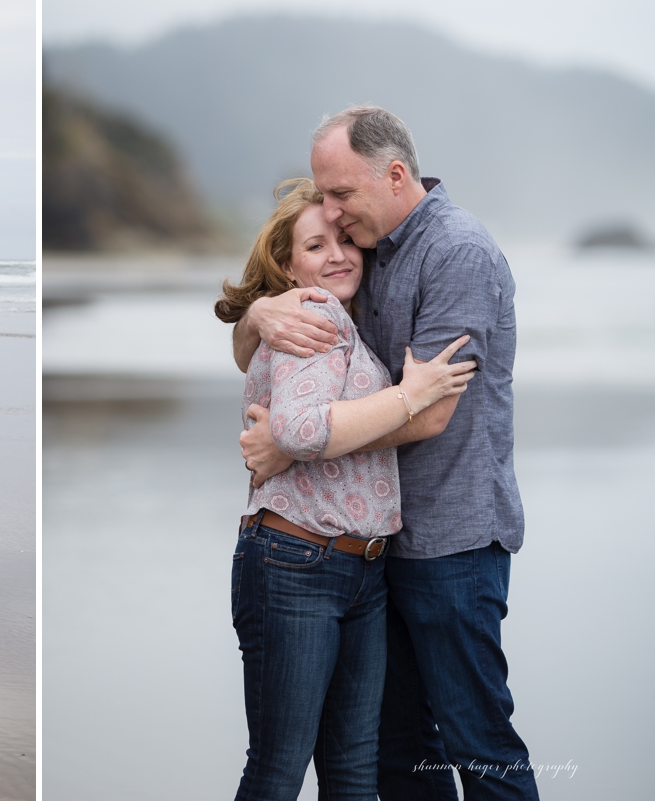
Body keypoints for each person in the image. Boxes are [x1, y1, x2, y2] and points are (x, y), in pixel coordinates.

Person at [235, 108, 538, 801]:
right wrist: (257, 315)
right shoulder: (369, 253)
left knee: (477, 743)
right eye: (324, 197)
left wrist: (291, 445)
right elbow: (280, 339)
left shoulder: (456, 251)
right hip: (375, 552)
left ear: (395, 175)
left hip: (453, 543)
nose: (333, 216)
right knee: (398, 753)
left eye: (341, 194)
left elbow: (429, 411)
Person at [216, 180, 475, 800]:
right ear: (287, 265)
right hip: (296, 563)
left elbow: (296, 427)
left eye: (345, 239)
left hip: (358, 568)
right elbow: (303, 429)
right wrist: (411, 394)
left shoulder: (332, 321)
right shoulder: (315, 314)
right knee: (280, 768)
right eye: (315, 245)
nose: (337, 254)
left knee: (354, 769)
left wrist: (255, 317)